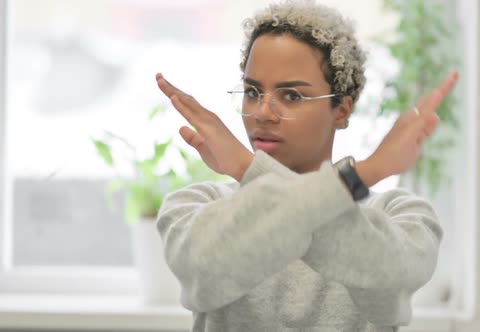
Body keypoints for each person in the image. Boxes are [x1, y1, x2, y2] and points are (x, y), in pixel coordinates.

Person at [155, 0, 459, 331]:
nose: (262, 113)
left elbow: (386, 290)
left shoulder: (400, 215)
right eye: (253, 91)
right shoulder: (197, 206)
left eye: (292, 96)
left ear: (341, 110)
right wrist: (361, 174)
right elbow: (206, 271)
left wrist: (249, 170)